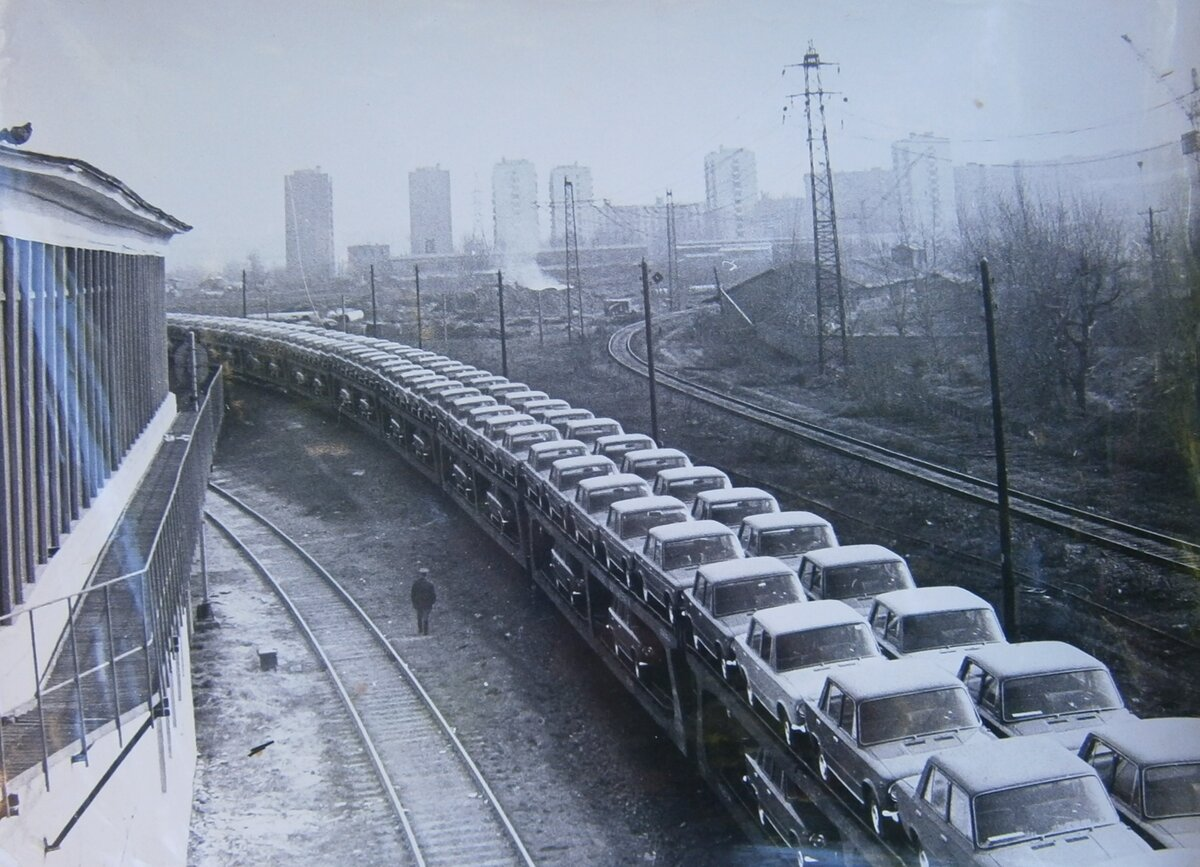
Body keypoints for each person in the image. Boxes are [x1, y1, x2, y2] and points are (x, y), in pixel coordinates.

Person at [410, 568, 436, 636]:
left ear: (420, 575)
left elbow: (413, 594)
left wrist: (414, 602)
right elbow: (433, 595)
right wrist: (432, 602)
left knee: (419, 616)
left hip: (419, 603)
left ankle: (420, 630)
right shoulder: (430, 584)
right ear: (426, 575)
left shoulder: (416, 583)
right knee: (426, 617)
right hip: (427, 603)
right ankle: (425, 631)